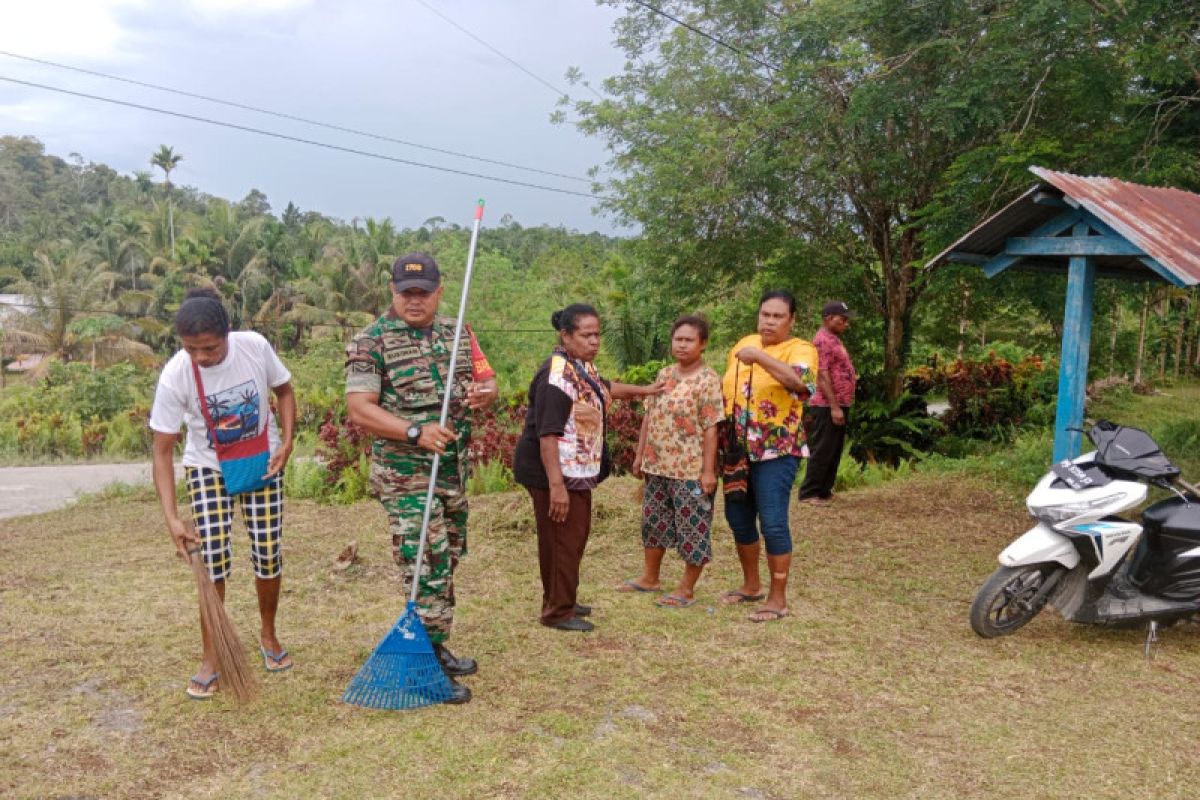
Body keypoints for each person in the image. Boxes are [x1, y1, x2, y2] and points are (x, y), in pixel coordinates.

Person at [345, 252, 497, 705]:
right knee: (426, 562)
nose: (415, 301)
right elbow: (360, 408)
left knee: (449, 555)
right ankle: (425, 661)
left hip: (451, 470)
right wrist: (415, 431)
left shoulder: (458, 333)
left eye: (423, 293)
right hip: (405, 476)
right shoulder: (370, 341)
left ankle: (436, 641)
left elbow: (489, 384)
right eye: (406, 293)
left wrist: (485, 394)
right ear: (392, 292)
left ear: (439, 292)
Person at [150, 287, 297, 700]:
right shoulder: (176, 373)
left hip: (261, 462)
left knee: (267, 551)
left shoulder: (254, 348)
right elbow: (162, 451)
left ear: (228, 334)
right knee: (212, 560)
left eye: (210, 348)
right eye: (191, 348)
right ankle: (213, 655)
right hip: (208, 467)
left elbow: (284, 390)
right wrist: (172, 518)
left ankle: (268, 636)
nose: (201, 357)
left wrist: (287, 442)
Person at [513, 304, 661, 632]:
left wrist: (646, 391)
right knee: (561, 540)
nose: (594, 341)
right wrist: (556, 487)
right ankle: (556, 611)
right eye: (586, 335)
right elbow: (547, 435)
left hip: (576, 469)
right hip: (553, 471)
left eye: (597, 335)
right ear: (565, 336)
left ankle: (562, 597)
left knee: (572, 537)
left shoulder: (580, 367)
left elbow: (606, 388)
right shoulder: (557, 376)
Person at [720, 289, 817, 623]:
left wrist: (761, 357)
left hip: (778, 449)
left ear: (792, 320)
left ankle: (778, 599)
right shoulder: (742, 343)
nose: (770, 322)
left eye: (778, 316)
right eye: (765, 315)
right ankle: (751, 585)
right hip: (736, 449)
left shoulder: (801, 349)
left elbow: (801, 386)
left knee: (773, 521)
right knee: (738, 517)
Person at [623, 315, 724, 607]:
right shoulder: (665, 374)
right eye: (677, 339)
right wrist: (641, 455)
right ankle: (650, 578)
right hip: (657, 467)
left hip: (690, 470)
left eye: (689, 340)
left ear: (702, 344)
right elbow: (649, 416)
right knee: (653, 522)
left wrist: (708, 471)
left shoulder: (708, 380)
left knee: (692, 527)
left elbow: (711, 428)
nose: (681, 345)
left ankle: (686, 589)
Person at [798, 300, 857, 505]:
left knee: (834, 448)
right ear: (829, 318)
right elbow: (822, 375)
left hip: (840, 403)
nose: (846, 324)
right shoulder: (822, 340)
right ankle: (809, 492)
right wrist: (833, 406)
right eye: (842, 319)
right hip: (826, 405)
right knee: (823, 447)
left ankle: (824, 490)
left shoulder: (833, 339)